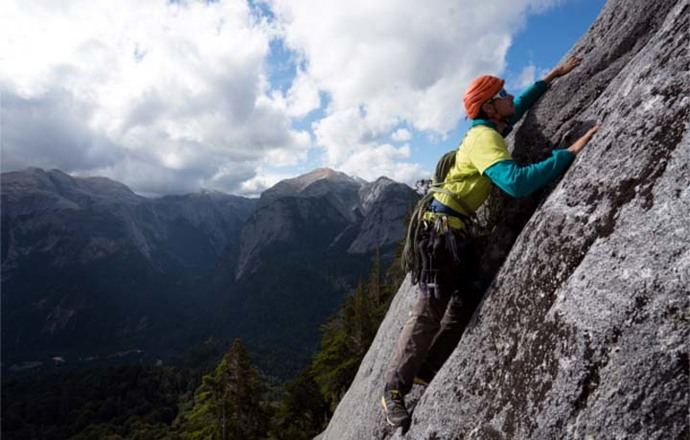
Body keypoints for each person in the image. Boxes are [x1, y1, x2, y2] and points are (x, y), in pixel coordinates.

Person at [380, 57, 601, 428]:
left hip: (454, 232)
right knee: (428, 312)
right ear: (488, 106)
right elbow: (515, 182)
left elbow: (517, 111)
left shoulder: (490, 128)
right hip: (441, 234)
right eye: (502, 93)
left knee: (466, 297)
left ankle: (427, 367)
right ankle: (392, 390)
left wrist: (552, 77)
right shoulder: (484, 139)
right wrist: (568, 154)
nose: (509, 94)